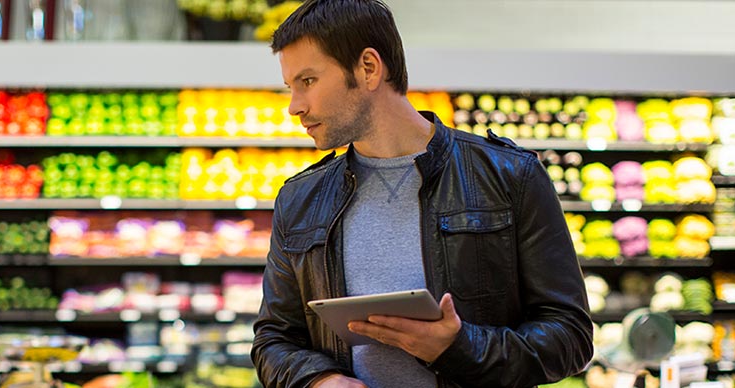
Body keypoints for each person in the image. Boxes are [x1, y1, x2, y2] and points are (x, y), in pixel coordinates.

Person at [250, 1, 594, 387]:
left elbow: (570, 338)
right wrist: (319, 380)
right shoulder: (300, 200)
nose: (295, 106)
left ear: (368, 68)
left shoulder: (511, 177)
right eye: (290, 87)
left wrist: (458, 347)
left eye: (308, 81)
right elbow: (273, 339)